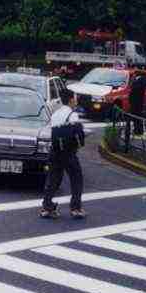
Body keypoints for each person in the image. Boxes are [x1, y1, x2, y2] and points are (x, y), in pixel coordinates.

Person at [40, 88, 86, 219]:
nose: (76, 100)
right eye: (75, 98)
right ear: (71, 100)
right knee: (76, 178)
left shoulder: (56, 114)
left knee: (53, 179)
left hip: (54, 151)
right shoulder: (73, 115)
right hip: (69, 153)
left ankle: (47, 207)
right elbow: (79, 135)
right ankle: (75, 208)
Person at [129, 71, 146, 135]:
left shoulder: (143, 80)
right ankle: (136, 130)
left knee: (138, 116)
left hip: (138, 101)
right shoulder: (137, 79)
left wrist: (134, 85)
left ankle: (139, 131)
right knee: (135, 116)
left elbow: (137, 88)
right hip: (135, 101)